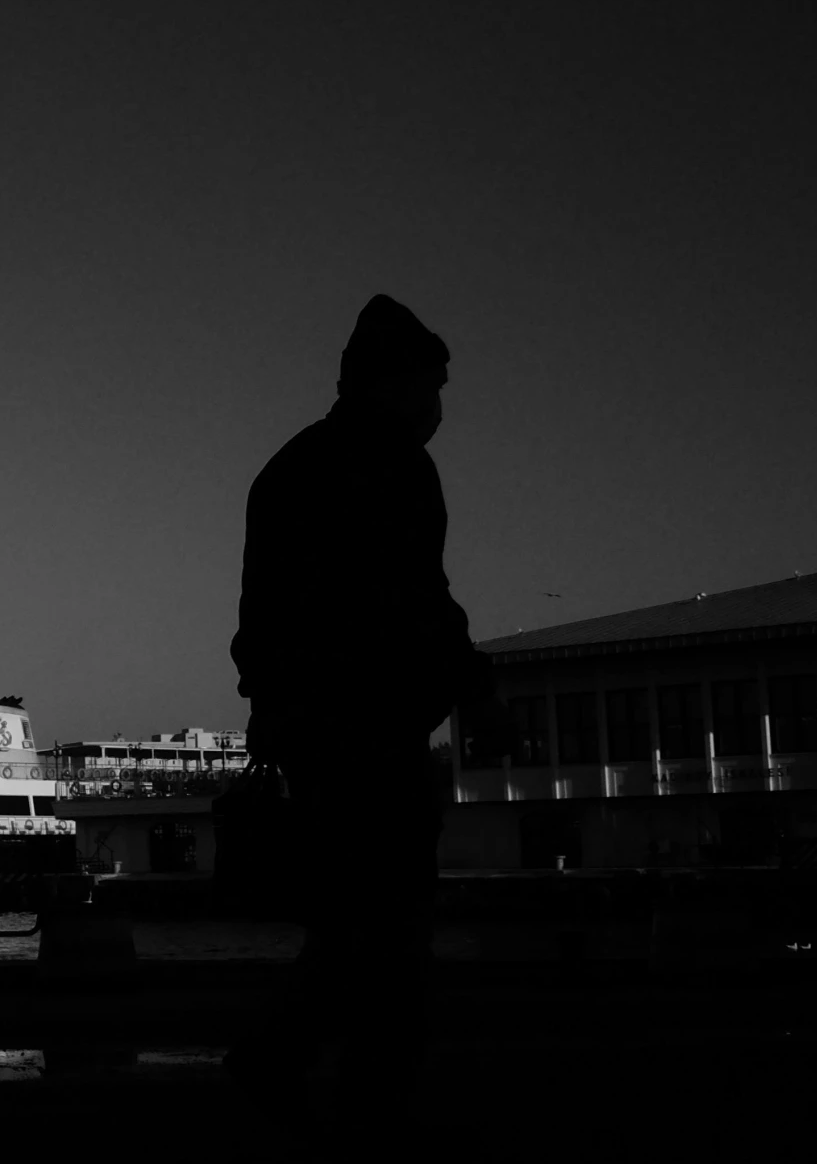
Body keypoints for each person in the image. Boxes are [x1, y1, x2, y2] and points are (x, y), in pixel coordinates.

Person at [225, 294, 492, 1094]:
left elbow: (260, 614)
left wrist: (271, 705)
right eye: (431, 386)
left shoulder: (289, 468)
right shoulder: (397, 469)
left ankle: (292, 1072)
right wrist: (473, 684)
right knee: (391, 922)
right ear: (394, 383)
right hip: (374, 728)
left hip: (316, 732)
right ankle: (358, 1088)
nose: (439, 407)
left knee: (347, 922)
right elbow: (420, 598)